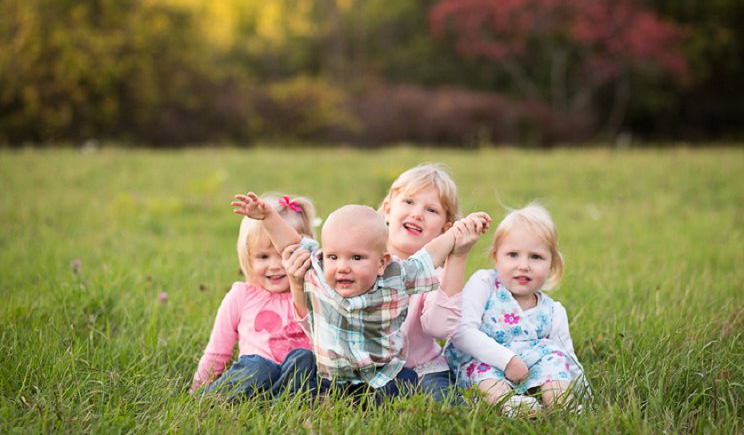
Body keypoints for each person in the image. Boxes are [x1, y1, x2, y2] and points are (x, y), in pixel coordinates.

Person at [231, 192, 491, 405]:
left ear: (381, 262)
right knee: (302, 362)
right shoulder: (319, 269)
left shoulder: (395, 277)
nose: (342, 267)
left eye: (356, 258)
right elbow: (291, 243)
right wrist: (267, 216)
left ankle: (361, 404)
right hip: (329, 377)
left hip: (378, 377)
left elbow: (428, 256)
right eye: (334, 256)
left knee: (406, 383)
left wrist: (457, 233)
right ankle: (296, 403)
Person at [445, 202, 589, 417]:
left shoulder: (553, 310)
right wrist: (507, 360)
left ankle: (562, 406)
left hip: (532, 363)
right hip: (486, 360)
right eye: (513, 254)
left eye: (536, 257)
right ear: (496, 257)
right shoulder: (485, 284)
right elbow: (462, 331)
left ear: (552, 265)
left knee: (556, 361)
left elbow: (568, 356)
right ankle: (512, 405)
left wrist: (585, 392)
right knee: (487, 381)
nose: (523, 265)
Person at [190, 194, 318, 401]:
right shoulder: (242, 295)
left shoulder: (313, 292)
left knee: (304, 358)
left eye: (283, 253)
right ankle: (211, 399)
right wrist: (198, 387)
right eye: (263, 256)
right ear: (248, 256)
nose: (275, 265)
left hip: (294, 381)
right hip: (254, 377)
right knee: (258, 366)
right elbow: (217, 351)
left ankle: (282, 403)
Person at [379, 163, 467, 402]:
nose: (417, 213)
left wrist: (457, 257)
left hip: (423, 367)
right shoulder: (366, 260)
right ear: (388, 210)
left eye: (431, 210)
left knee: (442, 400)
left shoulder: (437, 275)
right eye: (408, 202)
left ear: (444, 229)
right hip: (372, 369)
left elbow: (438, 328)